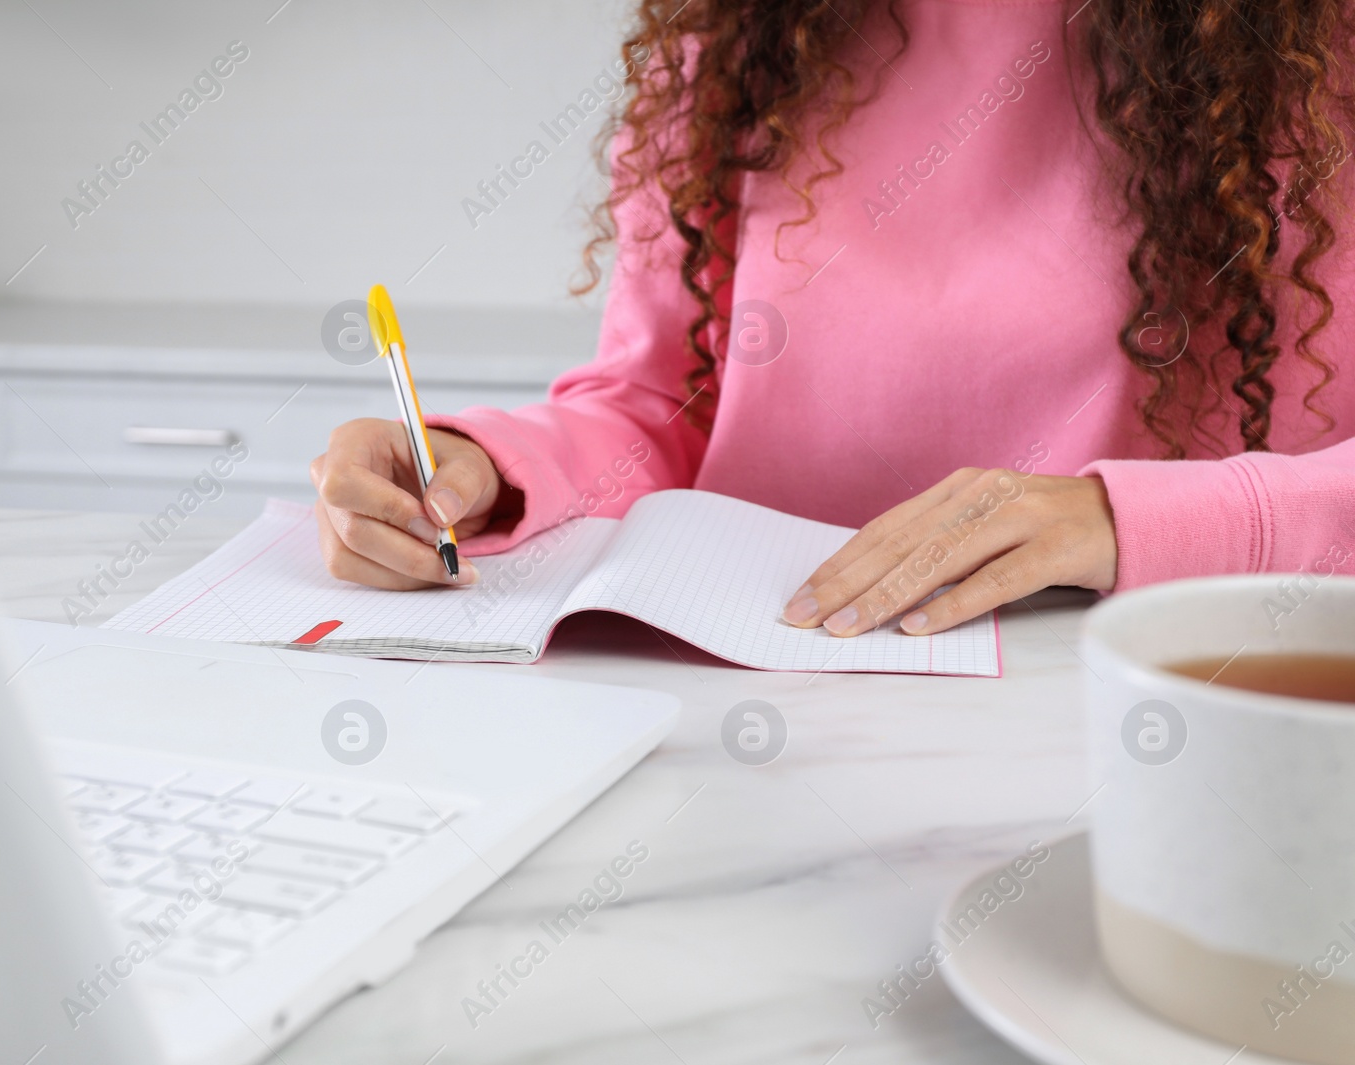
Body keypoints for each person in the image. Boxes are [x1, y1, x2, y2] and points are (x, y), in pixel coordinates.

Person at [312, 0, 1355, 637]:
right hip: (760, 695)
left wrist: (1116, 522)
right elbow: (658, 405)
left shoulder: (1314, 58)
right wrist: (476, 467)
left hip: (1155, 709)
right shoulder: (741, 41)